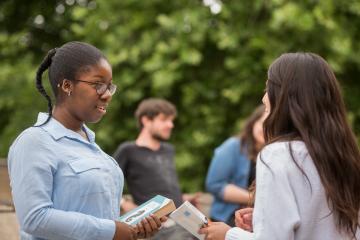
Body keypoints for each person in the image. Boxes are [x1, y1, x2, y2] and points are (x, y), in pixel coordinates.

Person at [8, 41, 163, 240]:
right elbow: (35, 218)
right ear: (67, 85)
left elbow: (100, 216)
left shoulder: (94, 149)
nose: (107, 95)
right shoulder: (34, 142)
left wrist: (134, 227)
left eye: (109, 87)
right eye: (98, 85)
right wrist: (113, 231)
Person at [199, 52, 360, 240]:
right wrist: (263, 218)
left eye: (268, 87)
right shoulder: (344, 156)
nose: (264, 97)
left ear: (285, 96)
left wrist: (228, 234)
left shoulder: (278, 154)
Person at [113, 98, 196, 240]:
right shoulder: (128, 150)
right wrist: (124, 203)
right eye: (164, 119)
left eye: (171, 120)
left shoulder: (168, 150)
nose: (170, 125)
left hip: (184, 221)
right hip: (156, 228)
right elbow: (107, 183)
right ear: (146, 120)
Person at [205, 105, 265, 227]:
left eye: (269, 125)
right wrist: (253, 199)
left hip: (259, 220)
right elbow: (214, 185)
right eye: (261, 123)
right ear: (253, 123)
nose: (264, 129)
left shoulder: (276, 153)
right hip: (227, 219)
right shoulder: (233, 146)